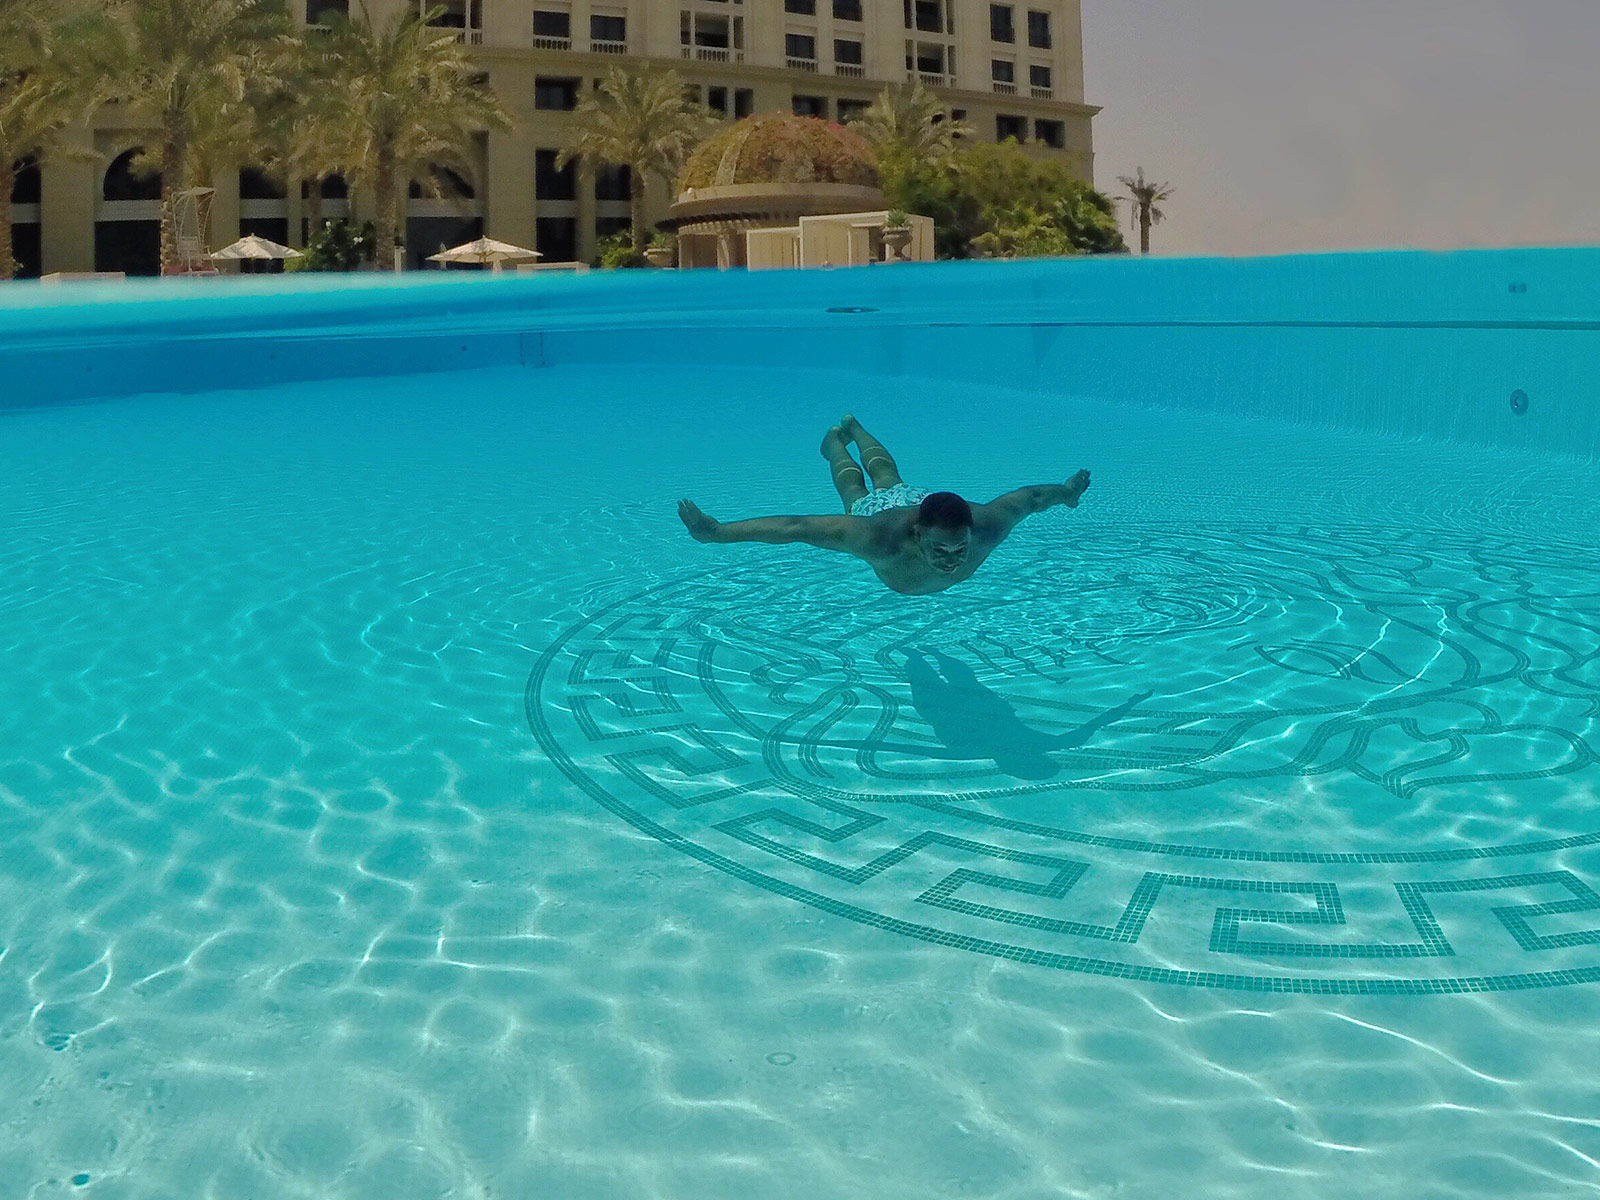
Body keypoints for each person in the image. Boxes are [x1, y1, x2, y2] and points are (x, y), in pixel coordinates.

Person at [677, 414, 1090, 595]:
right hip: (882, 513)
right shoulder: (877, 539)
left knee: (890, 477)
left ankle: (856, 427)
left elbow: (1033, 499)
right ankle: (835, 445)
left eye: (958, 550)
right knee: (855, 490)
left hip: (918, 502)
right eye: (940, 550)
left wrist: (1066, 495)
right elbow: (796, 527)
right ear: (917, 534)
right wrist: (717, 534)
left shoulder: (988, 525)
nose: (951, 561)